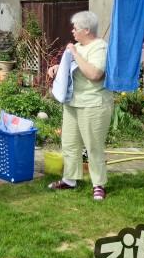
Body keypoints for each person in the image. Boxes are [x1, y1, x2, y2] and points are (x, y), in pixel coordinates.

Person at [46, 11, 113, 200]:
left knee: (93, 146)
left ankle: (98, 184)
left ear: (87, 29)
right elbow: (73, 68)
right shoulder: (77, 46)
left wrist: (75, 54)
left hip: (93, 103)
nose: (72, 31)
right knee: (69, 143)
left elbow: (94, 74)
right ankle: (69, 179)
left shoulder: (100, 48)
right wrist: (57, 68)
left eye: (75, 28)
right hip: (73, 102)